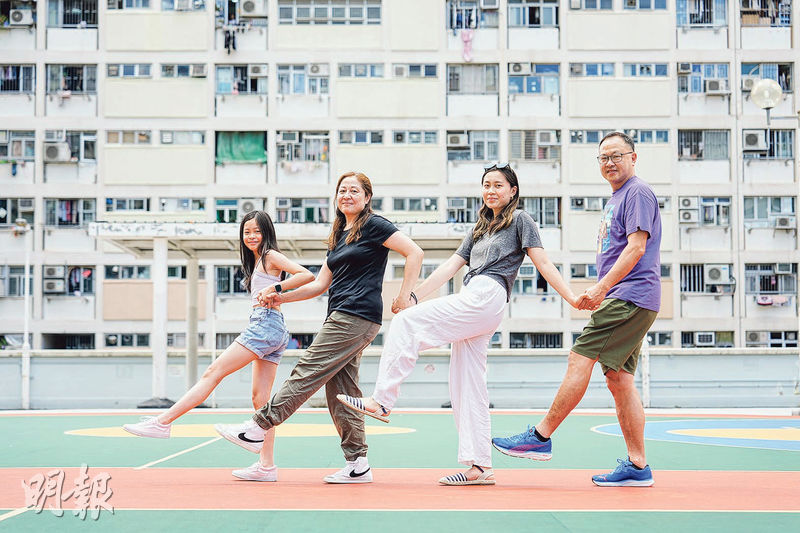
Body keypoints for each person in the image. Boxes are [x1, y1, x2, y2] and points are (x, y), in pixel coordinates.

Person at [337, 163, 582, 485]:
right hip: (475, 297)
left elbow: (543, 262)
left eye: (498, 185)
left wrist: (572, 298)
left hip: (488, 294)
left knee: (408, 325)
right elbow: (451, 266)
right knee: (468, 386)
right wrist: (413, 297)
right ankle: (480, 466)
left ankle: (382, 400)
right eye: (486, 185)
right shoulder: (480, 227)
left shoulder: (521, 220)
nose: (491, 191)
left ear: (513, 191)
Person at [215, 171, 424, 484]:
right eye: (342, 191)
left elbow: (414, 252)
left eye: (354, 191)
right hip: (341, 314)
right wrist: (280, 295)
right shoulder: (340, 237)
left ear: (367, 197)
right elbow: (319, 285)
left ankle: (259, 427)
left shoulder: (374, 224)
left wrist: (405, 294)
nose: (347, 195)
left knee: (309, 367)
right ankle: (358, 464)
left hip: (357, 315)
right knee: (342, 390)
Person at [492, 131, 662, 487]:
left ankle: (539, 436)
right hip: (632, 297)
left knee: (579, 358)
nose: (610, 163)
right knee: (619, 381)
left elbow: (635, 249)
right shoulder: (618, 197)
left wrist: (602, 288)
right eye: (604, 158)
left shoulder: (637, 192)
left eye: (617, 156)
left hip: (627, 296)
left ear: (634, 157)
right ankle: (638, 465)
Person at [123, 210, 315, 482]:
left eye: (257, 231)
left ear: (267, 233)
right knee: (261, 402)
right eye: (247, 232)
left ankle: (162, 422)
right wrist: (276, 293)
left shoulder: (270, 255)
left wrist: (276, 290)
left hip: (265, 326)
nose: (251, 236)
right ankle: (266, 466)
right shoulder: (259, 260)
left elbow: (306, 275)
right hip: (274, 327)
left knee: (212, 372)